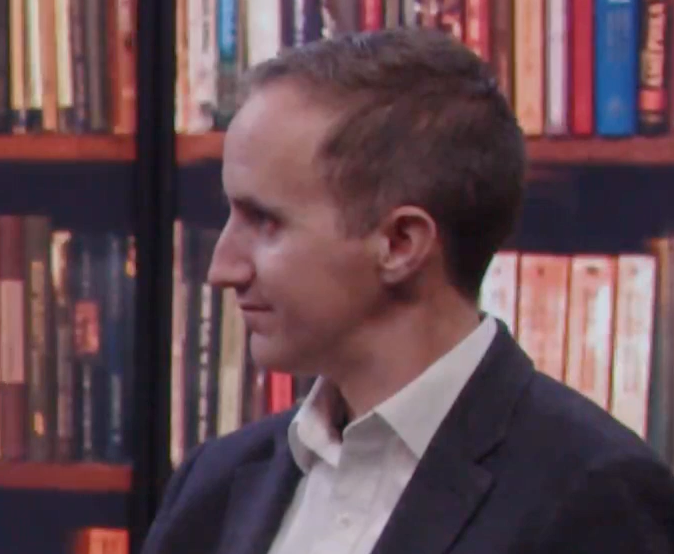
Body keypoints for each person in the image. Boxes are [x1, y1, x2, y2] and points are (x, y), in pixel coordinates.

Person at [141, 28, 674, 554]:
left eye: (264, 221)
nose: (222, 269)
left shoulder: (595, 496)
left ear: (400, 243)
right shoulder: (213, 484)